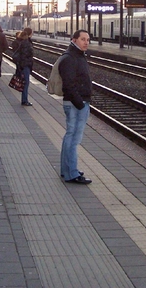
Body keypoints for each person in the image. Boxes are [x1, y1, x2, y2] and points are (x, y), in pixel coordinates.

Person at [59, 30, 93, 184]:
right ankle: (72, 173)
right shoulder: (70, 58)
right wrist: (80, 103)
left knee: (70, 136)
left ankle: (66, 170)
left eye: (88, 39)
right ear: (74, 40)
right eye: (82, 39)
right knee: (74, 139)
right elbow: (69, 84)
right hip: (76, 104)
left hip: (77, 102)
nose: (86, 42)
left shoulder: (77, 56)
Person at [16, 27, 34, 106]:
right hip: (25, 65)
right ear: (30, 34)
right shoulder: (26, 43)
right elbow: (25, 55)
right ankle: (24, 100)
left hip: (24, 65)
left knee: (25, 83)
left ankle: (24, 99)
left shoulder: (24, 42)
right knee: (26, 83)